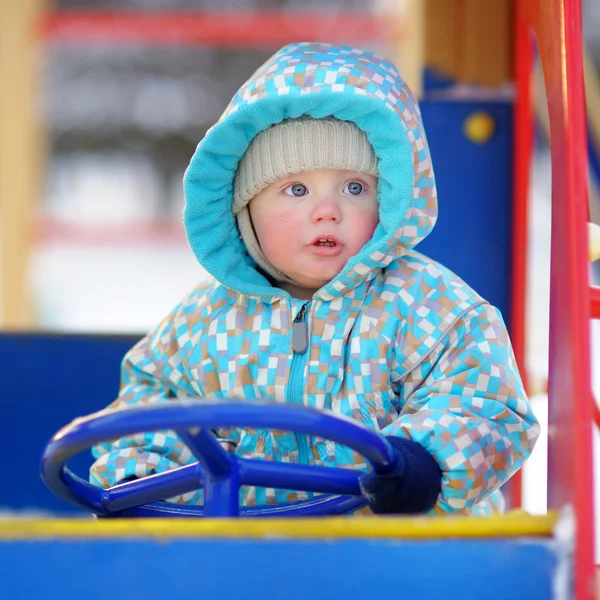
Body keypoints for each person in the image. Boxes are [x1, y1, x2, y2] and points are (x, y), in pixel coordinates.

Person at [90, 42, 540, 515]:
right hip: (257, 561)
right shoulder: (201, 323)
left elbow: (484, 406)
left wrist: (424, 462)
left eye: (354, 187)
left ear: (389, 201)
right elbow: (148, 407)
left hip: (404, 557)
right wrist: (139, 475)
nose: (327, 211)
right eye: (296, 189)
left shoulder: (430, 308)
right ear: (245, 208)